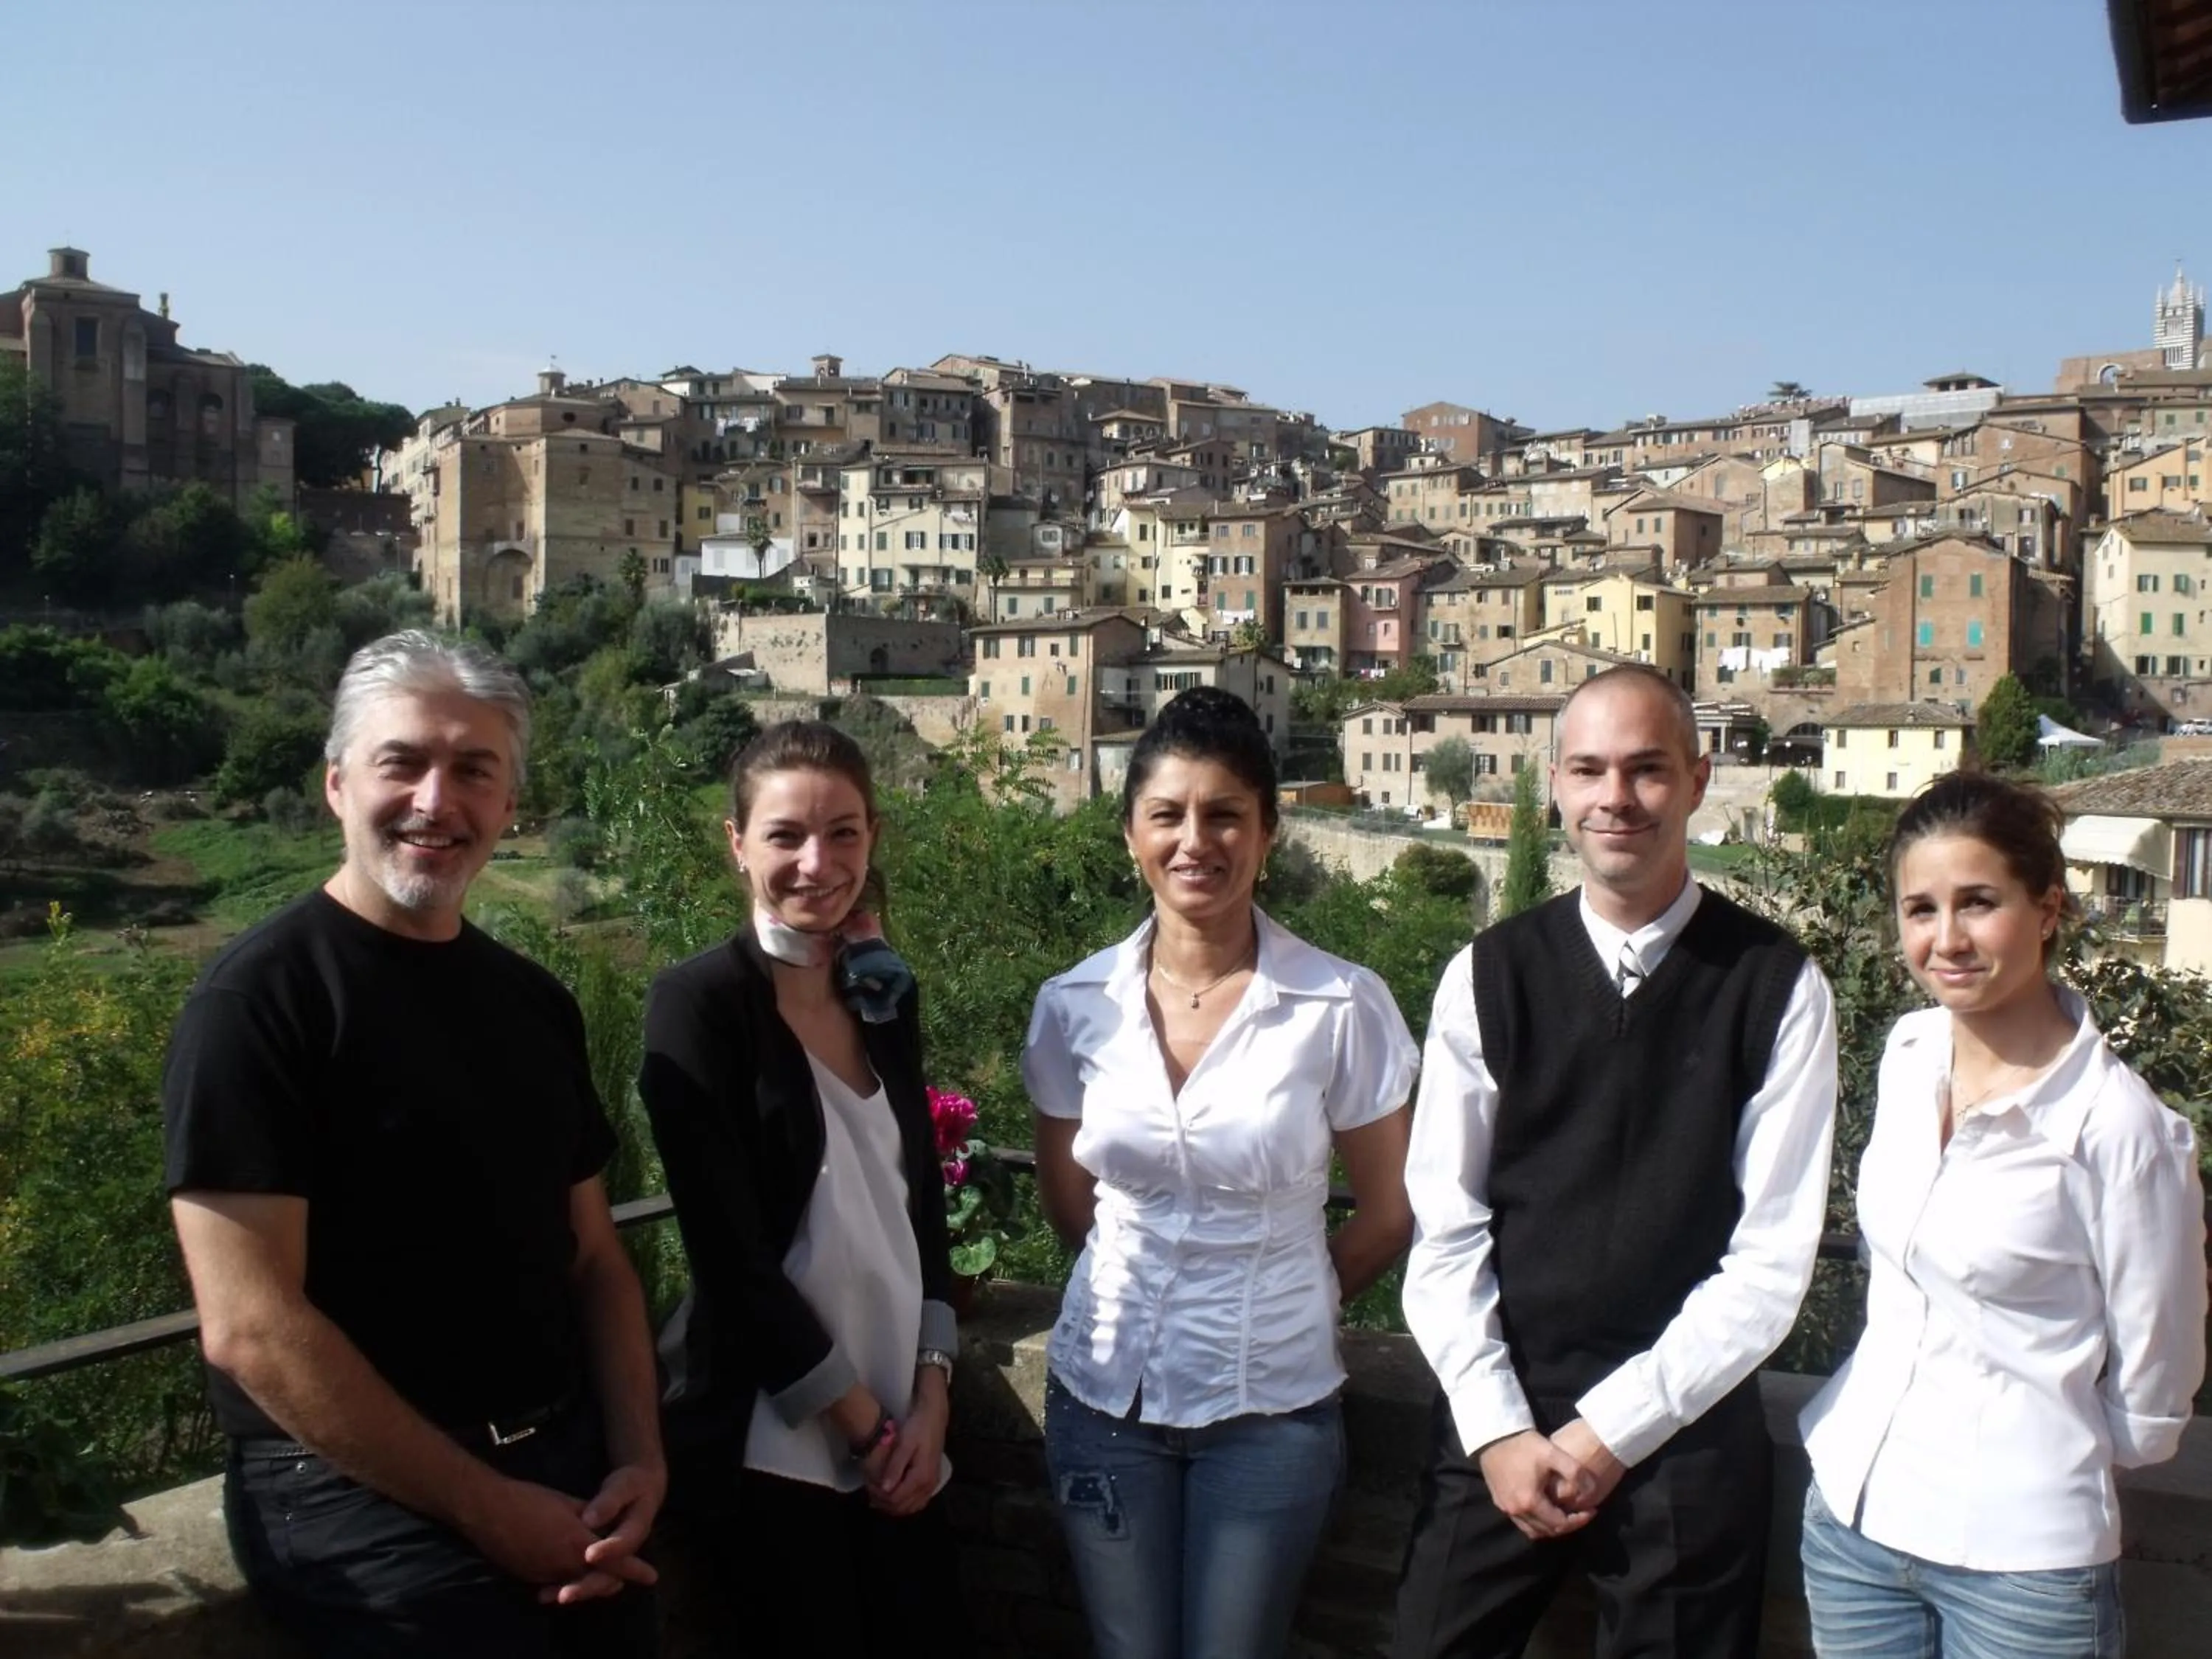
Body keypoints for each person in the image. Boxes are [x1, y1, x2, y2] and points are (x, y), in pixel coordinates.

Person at [163, 631, 664, 1659]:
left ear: (509, 806)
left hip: (560, 1458)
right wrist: (490, 1508)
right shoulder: (258, 1003)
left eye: (475, 770)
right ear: (338, 783)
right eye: (404, 763)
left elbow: (596, 1259)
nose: (438, 801)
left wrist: (642, 1457)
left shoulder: (533, 1003)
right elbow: (251, 1327)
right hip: (354, 1497)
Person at [1395, 663, 1840, 1659]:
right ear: (1554, 782)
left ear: (1697, 777)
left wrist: (1613, 1430)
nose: (1616, 797)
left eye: (1646, 769)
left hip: (1688, 1430)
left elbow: (1770, 1261)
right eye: (1590, 769)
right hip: (1501, 1407)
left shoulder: (1776, 986)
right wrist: (1499, 1426)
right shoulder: (1489, 975)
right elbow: (1445, 1219)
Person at [1025, 686, 1420, 1659]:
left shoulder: (1340, 1006)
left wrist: (1289, 1291)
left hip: (1270, 1413)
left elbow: (1390, 1209)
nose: (1194, 838)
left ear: (1268, 832)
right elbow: (1070, 1201)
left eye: (1225, 814)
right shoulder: (1072, 1005)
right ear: (1131, 836)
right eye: (1167, 813)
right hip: (1100, 1401)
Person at [1798, 771, 2207, 1657]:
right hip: (1853, 1523)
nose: (1946, 940)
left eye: (1978, 903)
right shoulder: (1909, 1057)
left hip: (2022, 1566)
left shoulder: (2120, 1127)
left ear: (2049, 907)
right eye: (1920, 909)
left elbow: (2154, 1386)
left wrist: (2032, 1449)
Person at [639, 720, 970, 1655]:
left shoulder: (883, 995)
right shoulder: (697, 1004)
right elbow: (730, 1259)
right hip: (776, 1440)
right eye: (786, 835)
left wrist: (933, 1392)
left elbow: (921, 1212)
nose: (816, 863)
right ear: (738, 845)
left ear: (873, 839)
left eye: (844, 833)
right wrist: (869, 1432)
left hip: (905, 1426)